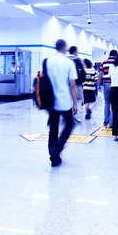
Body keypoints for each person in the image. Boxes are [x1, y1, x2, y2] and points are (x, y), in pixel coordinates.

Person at [46, 39, 78, 167]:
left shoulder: (47, 61)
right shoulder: (68, 63)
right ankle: (57, 149)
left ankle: (54, 156)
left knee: (53, 128)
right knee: (69, 124)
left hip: (50, 101)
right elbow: (72, 84)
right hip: (64, 101)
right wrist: (75, 103)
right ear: (64, 48)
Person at [99, 50, 117, 128]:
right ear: (116, 55)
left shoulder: (104, 62)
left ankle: (105, 121)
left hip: (106, 83)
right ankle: (112, 122)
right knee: (114, 103)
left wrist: (98, 84)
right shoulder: (117, 62)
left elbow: (100, 74)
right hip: (115, 84)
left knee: (107, 102)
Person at [68, 46, 86, 123]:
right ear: (75, 51)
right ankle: (75, 117)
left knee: (68, 100)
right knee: (77, 100)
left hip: (66, 84)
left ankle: (67, 117)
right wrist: (83, 80)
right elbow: (82, 72)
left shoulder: (65, 59)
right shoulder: (77, 60)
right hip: (77, 83)